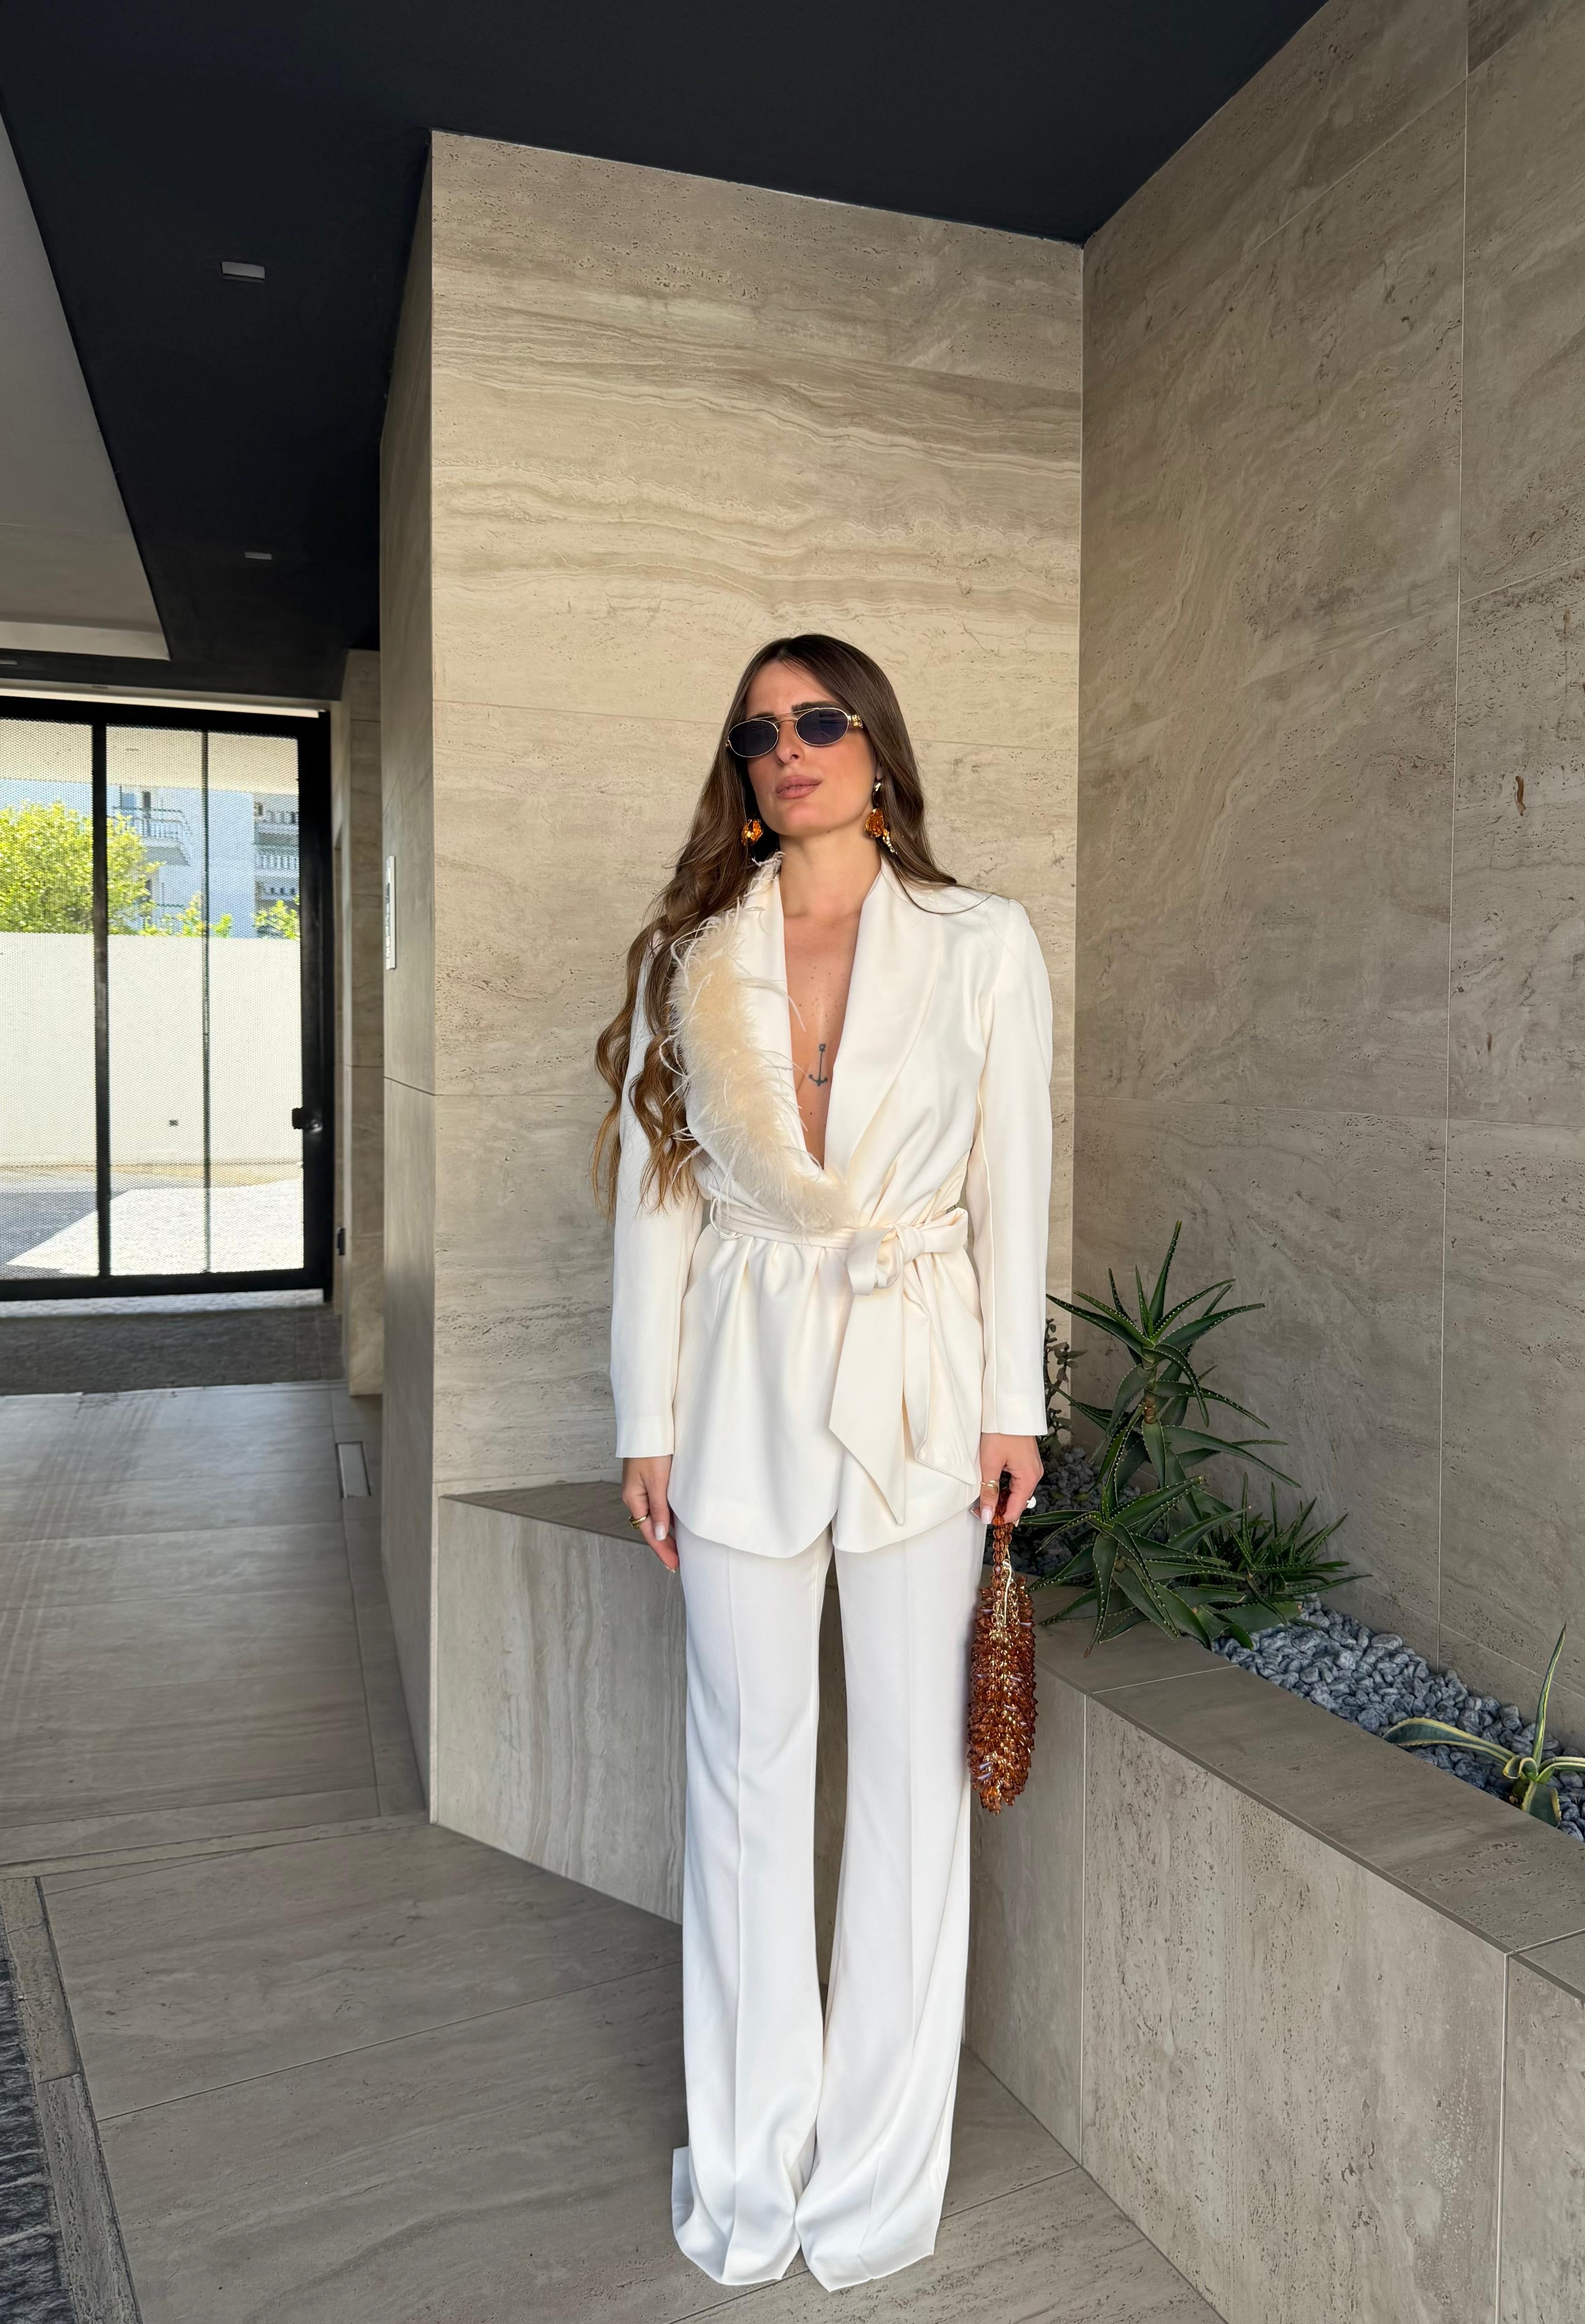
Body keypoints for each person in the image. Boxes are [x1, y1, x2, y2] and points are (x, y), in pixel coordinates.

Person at [596, 632, 1052, 2291]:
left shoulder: (983, 941)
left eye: (817, 719)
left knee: (916, 1788)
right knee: (743, 1772)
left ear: (876, 747)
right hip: (739, 1381)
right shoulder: (695, 952)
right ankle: (751, 2163)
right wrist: (644, 1419)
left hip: (922, 1379)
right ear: (742, 773)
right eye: (757, 733)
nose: (787, 748)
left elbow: (1014, 1179)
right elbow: (660, 1194)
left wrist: (1014, 1406)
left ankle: (871, 2174)